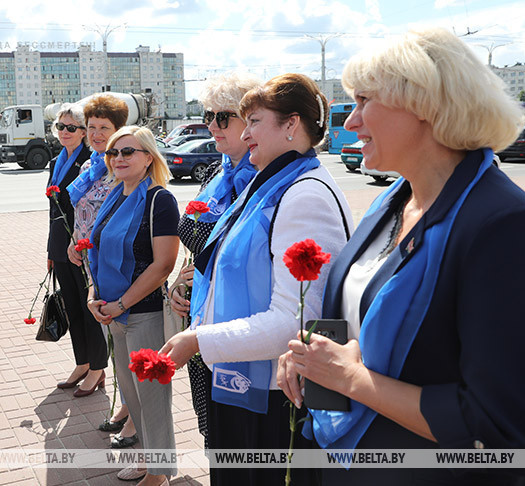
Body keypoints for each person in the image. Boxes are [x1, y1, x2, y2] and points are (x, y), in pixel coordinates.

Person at [277, 28, 525, 486]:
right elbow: (361, 312)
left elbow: (494, 425)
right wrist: (312, 356)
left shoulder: (502, 224)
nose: (350, 122)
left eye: (364, 101)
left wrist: (351, 379)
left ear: (425, 105)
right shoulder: (392, 200)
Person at [161, 73, 352, 486]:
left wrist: (198, 340)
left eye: (254, 121)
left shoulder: (304, 195)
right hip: (248, 384)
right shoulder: (271, 184)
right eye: (242, 121)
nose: (245, 133)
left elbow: (297, 320)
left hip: (272, 397)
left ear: (291, 124)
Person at [167, 72, 261, 448]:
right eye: (208, 116)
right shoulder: (213, 175)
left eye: (223, 117)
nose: (212, 126)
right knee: (209, 425)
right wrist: (180, 279)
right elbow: (198, 246)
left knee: (238, 431)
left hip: (235, 323)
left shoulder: (264, 180)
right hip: (200, 313)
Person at [87, 126, 179, 486]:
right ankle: (146, 458)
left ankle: (158, 475)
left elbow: (163, 264)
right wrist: (94, 296)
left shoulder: (160, 200)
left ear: (149, 157)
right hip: (113, 313)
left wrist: (121, 302)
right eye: (113, 153)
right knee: (134, 398)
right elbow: (96, 253)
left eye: (128, 152)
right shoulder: (114, 196)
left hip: (145, 313)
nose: (119, 159)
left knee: (153, 399)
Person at [65, 94, 138, 445]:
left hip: (116, 265)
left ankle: (134, 416)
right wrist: (74, 241)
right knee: (112, 340)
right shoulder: (90, 166)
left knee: (126, 339)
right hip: (89, 263)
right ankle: (125, 406)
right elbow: (82, 211)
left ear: (119, 131)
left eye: (104, 128)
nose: (95, 134)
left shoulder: (123, 166)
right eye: (91, 127)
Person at [46, 104, 105, 397]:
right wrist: (50, 250)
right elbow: (52, 210)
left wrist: (80, 243)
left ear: (83, 133)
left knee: (87, 307)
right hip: (61, 245)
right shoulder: (57, 160)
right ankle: (82, 362)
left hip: (83, 246)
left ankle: (98, 368)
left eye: (71, 128)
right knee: (72, 307)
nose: (64, 132)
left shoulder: (89, 160)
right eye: (61, 127)